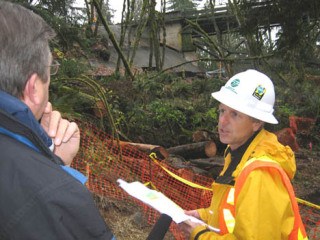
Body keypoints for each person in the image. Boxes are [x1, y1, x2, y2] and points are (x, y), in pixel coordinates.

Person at [0, 2, 115, 239]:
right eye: (50, 72)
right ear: (33, 89)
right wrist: (57, 174)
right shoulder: (58, 198)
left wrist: (51, 157)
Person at [179, 69, 308, 239]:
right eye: (222, 111)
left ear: (257, 122)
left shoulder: (260, 174)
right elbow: (233, 214)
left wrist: (200, 235)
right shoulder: (236, 154)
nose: (222, 122)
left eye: (235, 114)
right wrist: (204, 216)